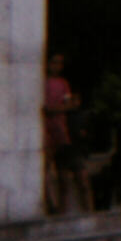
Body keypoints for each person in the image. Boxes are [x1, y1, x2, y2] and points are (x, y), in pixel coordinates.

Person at [42, 53, 90, 214]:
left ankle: (83, 211)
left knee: (74, 178)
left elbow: (69, 104)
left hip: (62, 133)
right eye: (54, 62)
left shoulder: (63, 83)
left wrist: (62, 108)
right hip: (47, 131)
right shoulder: (42, 82)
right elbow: (48, 108)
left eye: (60, 63)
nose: (57, 66)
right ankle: (52, 207)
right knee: (48, 172)